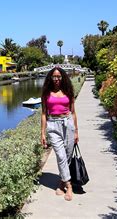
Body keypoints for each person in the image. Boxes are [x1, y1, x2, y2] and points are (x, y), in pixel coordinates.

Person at [41, 67, 79, 201]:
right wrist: (43, 133)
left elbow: (73, 112)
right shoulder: (46, 93)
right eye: (54, 77)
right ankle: (69, 185)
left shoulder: (68, 91)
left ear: (63, 77)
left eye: (59, 76)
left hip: (68, 123)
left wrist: (76, 131)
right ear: (50, 78)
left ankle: (61, 181)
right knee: (61, 155)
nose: (56, 79)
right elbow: (44, 113)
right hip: (53, 125)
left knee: (67, 154)